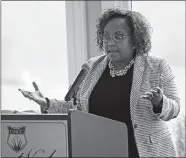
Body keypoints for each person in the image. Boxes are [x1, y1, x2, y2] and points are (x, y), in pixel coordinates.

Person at [19, 8, 180, 157]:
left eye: (118, 36)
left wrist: (159, 103)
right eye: (106, 36)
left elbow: (175, 108)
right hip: (100, 151)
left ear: (135, 39)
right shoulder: (92, 67)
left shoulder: (157, 66)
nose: (110, 42)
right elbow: (77, 108)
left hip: (145, 152)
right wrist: (46, 103)